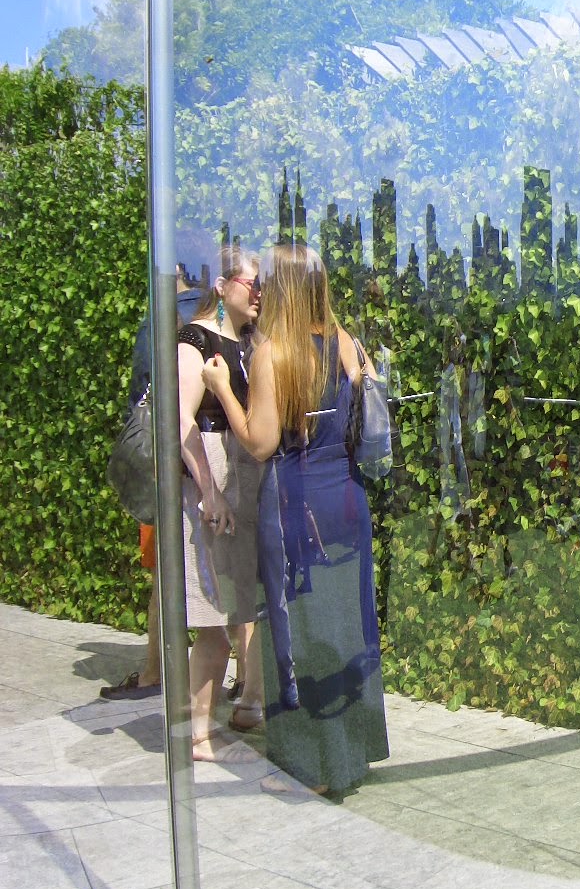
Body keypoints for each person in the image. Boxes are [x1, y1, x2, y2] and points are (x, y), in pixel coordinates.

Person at [204, 242, 389, 796]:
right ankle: (352, 751)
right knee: (347, 625)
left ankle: (312, 769)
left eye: (266, 281)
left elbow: (261, 443)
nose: (259, 290)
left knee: (298, 629)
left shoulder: (274, 355)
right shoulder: (345, 342)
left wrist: (222, 390)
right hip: (347, 498)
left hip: (295, 501)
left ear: (282, 288)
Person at [176, 248, 266, 760]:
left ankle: (247, 706)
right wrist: (209, 492)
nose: (259, 295)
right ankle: (199, 735)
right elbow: (181, 419)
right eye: (252, 285)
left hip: (245, 477)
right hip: (212, 474)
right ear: (222, 285)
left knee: (243, 608)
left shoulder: (250, 342)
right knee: (212, 616)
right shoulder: (196, 339)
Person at [102, 263, 206, 701]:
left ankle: (154, 672)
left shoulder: (161, 318)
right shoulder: (214, 315)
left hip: (171, 460)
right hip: (215, 455)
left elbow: (143, 391)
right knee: (224, 569)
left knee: (166, 569)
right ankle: (245, 681)